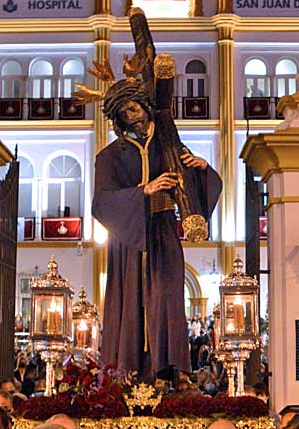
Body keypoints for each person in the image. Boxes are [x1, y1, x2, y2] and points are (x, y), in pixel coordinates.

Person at [91, 75, 222, 379]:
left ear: (145, 107)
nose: (131, 116)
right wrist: (144, 191)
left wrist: (203, 169)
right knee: (131, 299)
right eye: (124, 113)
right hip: (128, 238)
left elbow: (190, 188)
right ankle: (128, 370)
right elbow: (102, 202)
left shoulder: (169, 146)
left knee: (166, 295)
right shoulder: (109, 156)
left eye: (134, 108)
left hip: (163, 231)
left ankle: (170, 369)